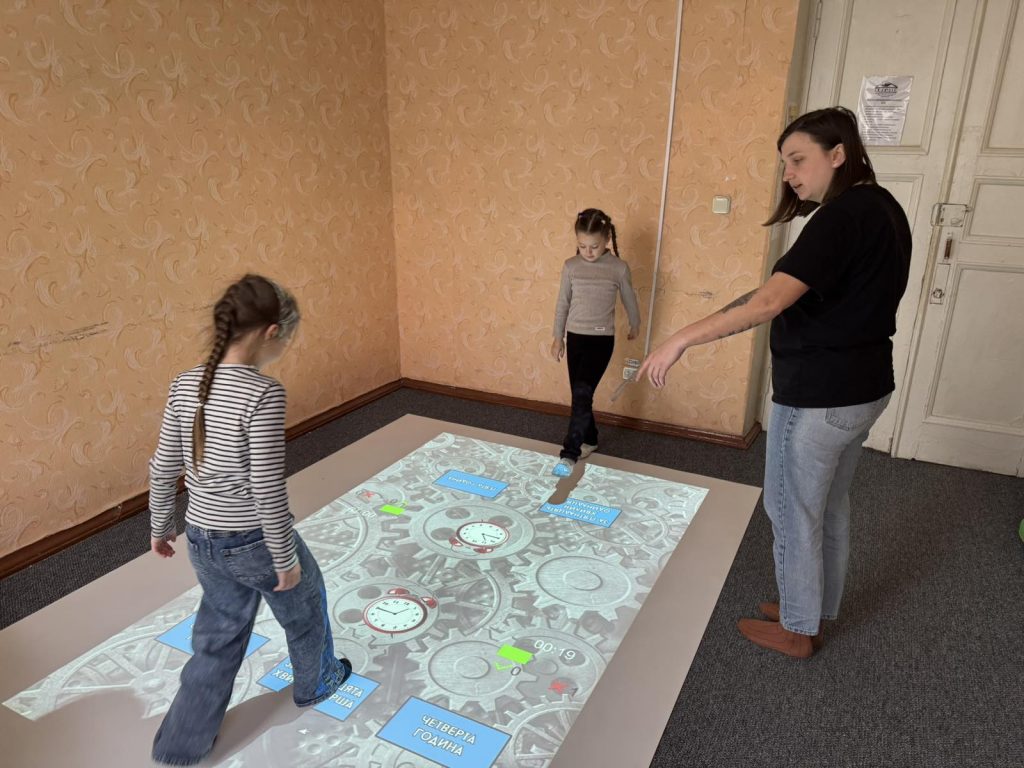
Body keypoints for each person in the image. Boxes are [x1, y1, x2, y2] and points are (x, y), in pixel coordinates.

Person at [638, 107, 912, 658]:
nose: (789, 174)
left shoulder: (838, 218)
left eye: (798, 160)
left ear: (838, 155)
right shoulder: (883, 207)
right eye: (785, 163)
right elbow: (779, 293)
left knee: (792, 510)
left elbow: (767, 303)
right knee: (827, 506)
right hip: (864, 388)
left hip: (819, 395)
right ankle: (814, 607)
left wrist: (680, 339)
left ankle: (797, 628)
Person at [148, 274, 351, 764]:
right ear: (271, 332)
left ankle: (179, 744)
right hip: (254, 540)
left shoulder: (186, 383)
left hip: (201, 537)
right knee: (305, 608)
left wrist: (160, 525)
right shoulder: (262, 393)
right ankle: (318, 682)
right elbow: (266, 487)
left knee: (217, 637)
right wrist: (284, 557)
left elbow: (164, 465)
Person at [550, 208, 642, 477]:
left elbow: (629, 298)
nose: (588, 252)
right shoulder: (571, 266)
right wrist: (558, 337)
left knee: (582, 392)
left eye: (594, 246)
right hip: (575, 338)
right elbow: (562, 303)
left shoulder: (618, 268)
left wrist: (635, 323)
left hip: (601, 340)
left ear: (606, 240)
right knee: (581, 394)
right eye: (582, 246)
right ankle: (589, 439)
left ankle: (569, 454)